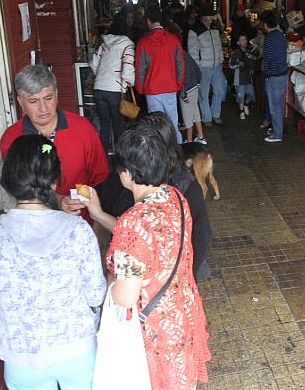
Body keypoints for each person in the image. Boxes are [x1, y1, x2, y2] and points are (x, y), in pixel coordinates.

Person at [0, 135, 110, 390]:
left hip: (21, 357)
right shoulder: (77, 231)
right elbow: (96, 296)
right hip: (77, 351)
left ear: (9, 181)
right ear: (53, 180)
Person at [99, 119, 211, 390]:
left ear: (126, 173)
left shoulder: (134, 223)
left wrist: (110, 281)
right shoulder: (176, 197)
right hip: (185, 318)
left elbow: (125, 295)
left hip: (157, 339)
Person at [88, 112, 213, 282]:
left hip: (159, 280)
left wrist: (186, 276)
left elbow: (202, 234)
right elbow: (101, 201)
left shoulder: (184, 186)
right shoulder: (128, 179)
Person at [0, 65, 109, 216]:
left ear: (56, 94)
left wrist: (97, 220)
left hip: (81, 219)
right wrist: (58, 200)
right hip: (36, 224)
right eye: (33, 101)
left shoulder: (82, 129)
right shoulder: (12, 138)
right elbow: (20, 186)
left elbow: (99, 179)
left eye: (48, 98)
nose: (43, 108)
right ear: (20, 102)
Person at [135, 3, 186, 144]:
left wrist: (140, 88)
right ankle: (178, 153)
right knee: (172, 122)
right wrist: (178, 84)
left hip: (152, 89)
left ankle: (161, 156)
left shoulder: (143, 42)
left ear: (148, 20)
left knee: (156, 126)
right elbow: (180, 65)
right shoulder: (174, 40)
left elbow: (140, 69)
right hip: (170, 87)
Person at [89, 14, 135, 152]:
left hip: (99, 88)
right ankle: (119, 155)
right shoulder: (127, 46)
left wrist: (102, 77)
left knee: (105, 123)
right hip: (115, 90)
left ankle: (104, 154)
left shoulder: (104, 44)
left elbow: (93, 63)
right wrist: (130, 82)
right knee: (117, 124)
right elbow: (127, 71)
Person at [188, 3, 225, 126]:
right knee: (203, 94)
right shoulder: (194, 30)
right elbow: (192, 52)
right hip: (203, 67)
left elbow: (219, 45)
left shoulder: (214, 27)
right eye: (210, 15)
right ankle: (206, 118)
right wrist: (197, 67)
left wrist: (220, 60)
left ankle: (215, 114)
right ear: (204, 16)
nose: (212, 17)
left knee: (219, 90)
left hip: (216, 66)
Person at [261, 11, 288, 142]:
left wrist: (267, 75)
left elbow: (267, 59)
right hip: (283, 75)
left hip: (274, 76)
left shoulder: (269, 39)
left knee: (274, 106)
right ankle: (278, 129)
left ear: (266, 25)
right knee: (280, 104)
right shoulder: (282, 36)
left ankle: (278, 135)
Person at [228, 34, 259, 120]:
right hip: (239, 76)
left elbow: (253, 61)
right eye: (242, 40)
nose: (244, 41)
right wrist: (238, 64)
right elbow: (230, 64)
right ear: (238, 42)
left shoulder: (249, 51)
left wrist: (252, 68)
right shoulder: (236, 52)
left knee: (252, 94)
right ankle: (241, 111)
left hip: (247, 76)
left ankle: (245, 104)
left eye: (245, 39)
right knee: (240, 95)